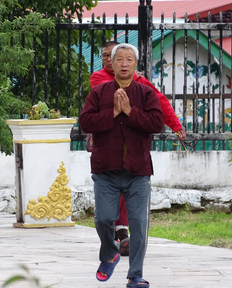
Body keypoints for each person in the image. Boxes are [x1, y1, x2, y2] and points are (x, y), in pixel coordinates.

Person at [80, 43, 165, 288]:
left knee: (139, 227)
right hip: (105, 169)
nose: (124, 64)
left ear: (135, 65)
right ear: (112, 64)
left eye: (129, 60)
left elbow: (157, 123)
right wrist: (113, 114)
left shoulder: (146, 93)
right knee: (103, 219)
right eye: (120, 60)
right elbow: (86, 122)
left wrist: (129, 110)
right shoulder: (99, 93)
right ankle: (109, 253)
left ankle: (135, 275)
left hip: (137, 171)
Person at [89, 41, 186, 256]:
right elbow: (99, 109)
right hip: (107, 144)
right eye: (107, 57)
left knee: (129, 192)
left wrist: (176, 125)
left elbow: (159, 102)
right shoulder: (98, 80)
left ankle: (123, 233)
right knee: (107, 202)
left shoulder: (140, 84)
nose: (111, 61)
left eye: (128, 60)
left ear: (133, 63)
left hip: (134, 149)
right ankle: (113, 236)